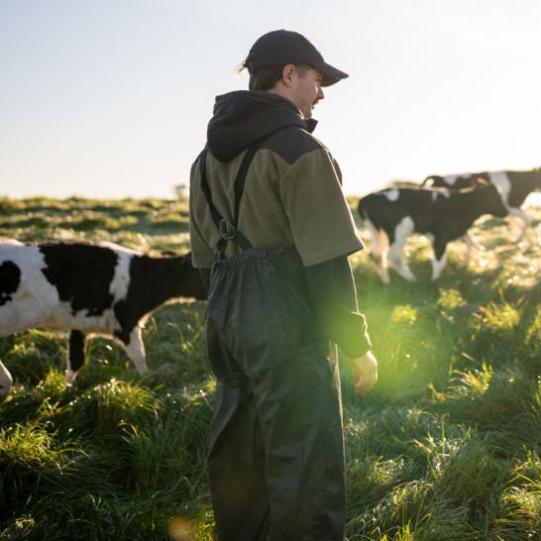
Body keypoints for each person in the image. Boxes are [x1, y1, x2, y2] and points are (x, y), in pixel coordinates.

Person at [188, 29, 378, 540]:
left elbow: (204, 262)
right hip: (288, 320)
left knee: (239, 459)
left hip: (225, 319)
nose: (321, 93)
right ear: (289, 74)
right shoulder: (301, 149)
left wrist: (232, 314)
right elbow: (327, 262)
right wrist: (357, 344)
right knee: (306, 464)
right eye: (318, 80)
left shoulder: (203, 160)